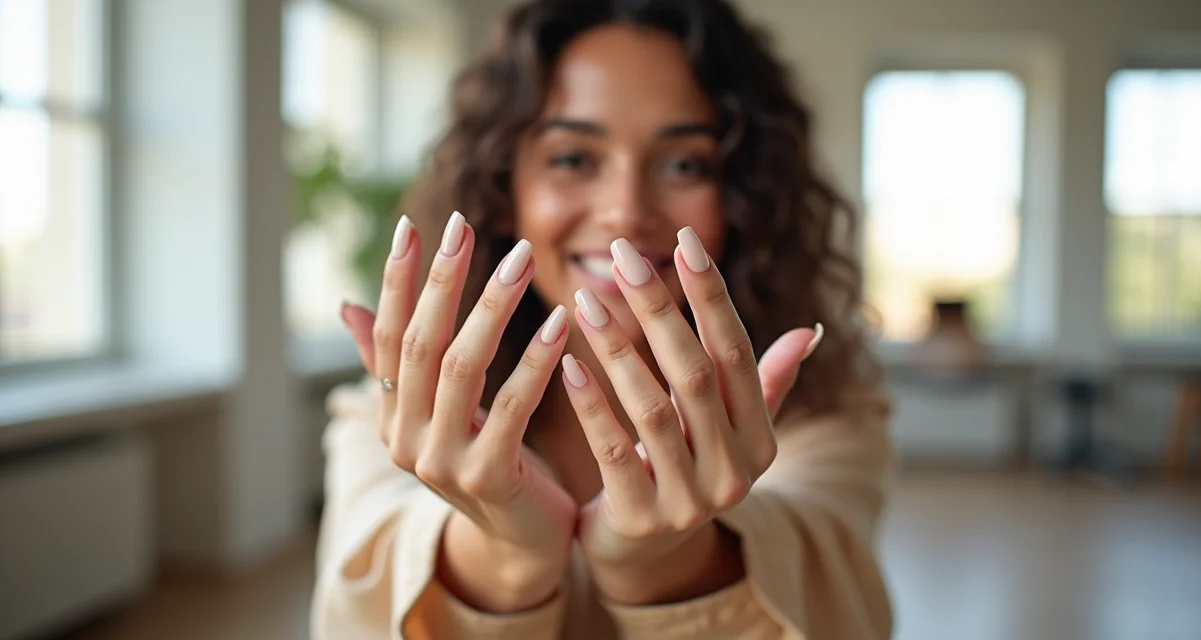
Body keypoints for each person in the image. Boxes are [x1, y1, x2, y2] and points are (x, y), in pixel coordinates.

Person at [312, 0, 893, 637]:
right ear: (507, 191)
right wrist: (505, 559)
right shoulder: (387, 416)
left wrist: (668, 566)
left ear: (742, 199)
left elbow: (839, 606)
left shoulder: (826, 413)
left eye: (684, 164)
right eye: (573, 158)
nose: (625, 210)